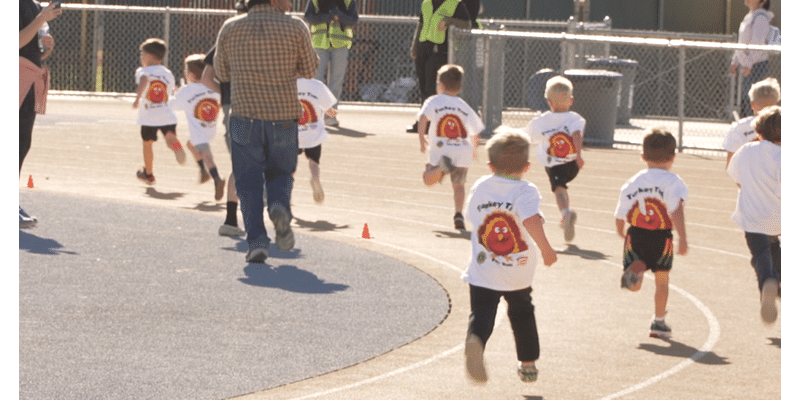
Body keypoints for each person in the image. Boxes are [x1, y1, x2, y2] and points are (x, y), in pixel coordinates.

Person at [214, 0, 319, 263]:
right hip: (282, 114)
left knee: (248, 182)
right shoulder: (295, 26)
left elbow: (221, 72)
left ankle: (257, 243)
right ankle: (279, 206)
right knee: (281, 172)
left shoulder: (230, 27)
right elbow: (310, 69)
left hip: (243, 113)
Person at [461, 129, 557, 383]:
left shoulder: (481, 186)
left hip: (483, 269)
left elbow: (471, 217)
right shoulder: (526, 191)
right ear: (526, 167)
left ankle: (476, 341)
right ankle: (528, 364)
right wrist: (546, 248)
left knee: (482, 312)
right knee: (522, 313)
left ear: (490, 165)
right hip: (518, 271)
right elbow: (531, 220)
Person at [613, 129, 688, 339]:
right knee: (662, 281)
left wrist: (621, 231)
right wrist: (683, 238)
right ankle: (658, 322)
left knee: (636, 282)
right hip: (662, 237)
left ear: (643, 157)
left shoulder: (633, 182)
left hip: (635, 234)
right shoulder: (675, 183)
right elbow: (677, 211)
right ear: (672, 158)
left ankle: (636, 270)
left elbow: (621, 212)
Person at [727, 106, 780, 324]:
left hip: (752, 217)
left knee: (760, 253)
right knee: (774, 247)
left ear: (759, 132)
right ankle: (779, 281)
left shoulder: (746, 151)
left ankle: (768, 281)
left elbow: (735, 176)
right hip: (779, 217)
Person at [200, 0, 248, 237]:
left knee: (240, 164)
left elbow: (206, 78)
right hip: (260, 105)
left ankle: (231, 220)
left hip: (232, 105)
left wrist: (227, 94)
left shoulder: (224, 40)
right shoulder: (261, 39)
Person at [418, 64, 483, 230]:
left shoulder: (434, 100)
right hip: (463, 149)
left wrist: (421, 139)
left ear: (441, 85)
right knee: (459, 185)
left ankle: (440, 168)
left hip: (441, 148)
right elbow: (476, 131)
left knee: (428, 179)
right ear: (460, 87)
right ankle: (458, 214)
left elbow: (423, 119)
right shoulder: (464, 105)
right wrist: (474, 149)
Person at [522, 75, 585, 242]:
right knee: (562, 188)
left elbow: (525, 137)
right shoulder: (575, 118)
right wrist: (579, 155)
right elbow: (577, 135)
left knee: (559, 190)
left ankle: (565, 213)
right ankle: (566, 214)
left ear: (549, 101)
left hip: (554, 164)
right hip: (573, 164)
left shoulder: (541, 121)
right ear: (571, 101)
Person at [19, 0, 62, 228]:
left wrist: (45, 48)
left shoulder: (33, 5)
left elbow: (29, 46)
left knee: (21, 142)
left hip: (30, 75)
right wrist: (41, 18)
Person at [407, 0, 471, 133]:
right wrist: (414, 48)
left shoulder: (456, 4)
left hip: (440, 50)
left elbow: (467, 25)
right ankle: (422, 122)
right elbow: (420, 25)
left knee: (432, 86)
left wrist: (448, 21)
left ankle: (432, 123)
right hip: (423, 48)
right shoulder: (426, 3)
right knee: (423, 86)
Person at [169, 54, 226, 201]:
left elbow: (172, 105)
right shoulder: (214, 87)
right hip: (211, 128)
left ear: (191, 75)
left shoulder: (188, 91)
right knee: (190, 144)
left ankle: (216, 177)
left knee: (207, 155)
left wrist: (173, 94)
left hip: (198, 132)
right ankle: (203, 171)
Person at [132, 38, 185, 185]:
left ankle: (148, 174)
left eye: (143, 53)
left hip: (149, 116)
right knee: (170, 138)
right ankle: (176, 148)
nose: (141, 56)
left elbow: (143, 81)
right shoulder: (167, 73)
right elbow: (171, 90)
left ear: (149, 55)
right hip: (167, 114)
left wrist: (137, 99)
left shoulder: (143, 71)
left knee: (147, 144)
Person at [303, 0, 358, 127]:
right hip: (319, 44)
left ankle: (330, 117)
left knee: (336, 82)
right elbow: (309, 17)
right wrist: (330, 16)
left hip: (340, 45)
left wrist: (339, 16)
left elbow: (353, 19)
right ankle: (315, 114)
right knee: (316, 80)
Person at [722, 77, 780, 168]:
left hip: (747, 180)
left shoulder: (740, 127)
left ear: (752, 105)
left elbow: (730, 164)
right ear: (777, 105)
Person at [730, 0, 775, 118]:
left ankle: (757, 127)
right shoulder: (750, 16)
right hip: (748, 66)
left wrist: (749, 64)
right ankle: (750, 126)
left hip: (757, 65)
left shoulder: (761, 17)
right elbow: (742, 41)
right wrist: (735, 61)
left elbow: (757, 43)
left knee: (755, 98)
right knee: (747, 97)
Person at [297, 77, 337, 204]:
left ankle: (285, 192)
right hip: (313, 132)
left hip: (293, 132)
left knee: (289, 166)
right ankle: (315, 177)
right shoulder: (317, 85)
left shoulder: (287, 83)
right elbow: (328, 108)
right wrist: (332, 112)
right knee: (314, 163)